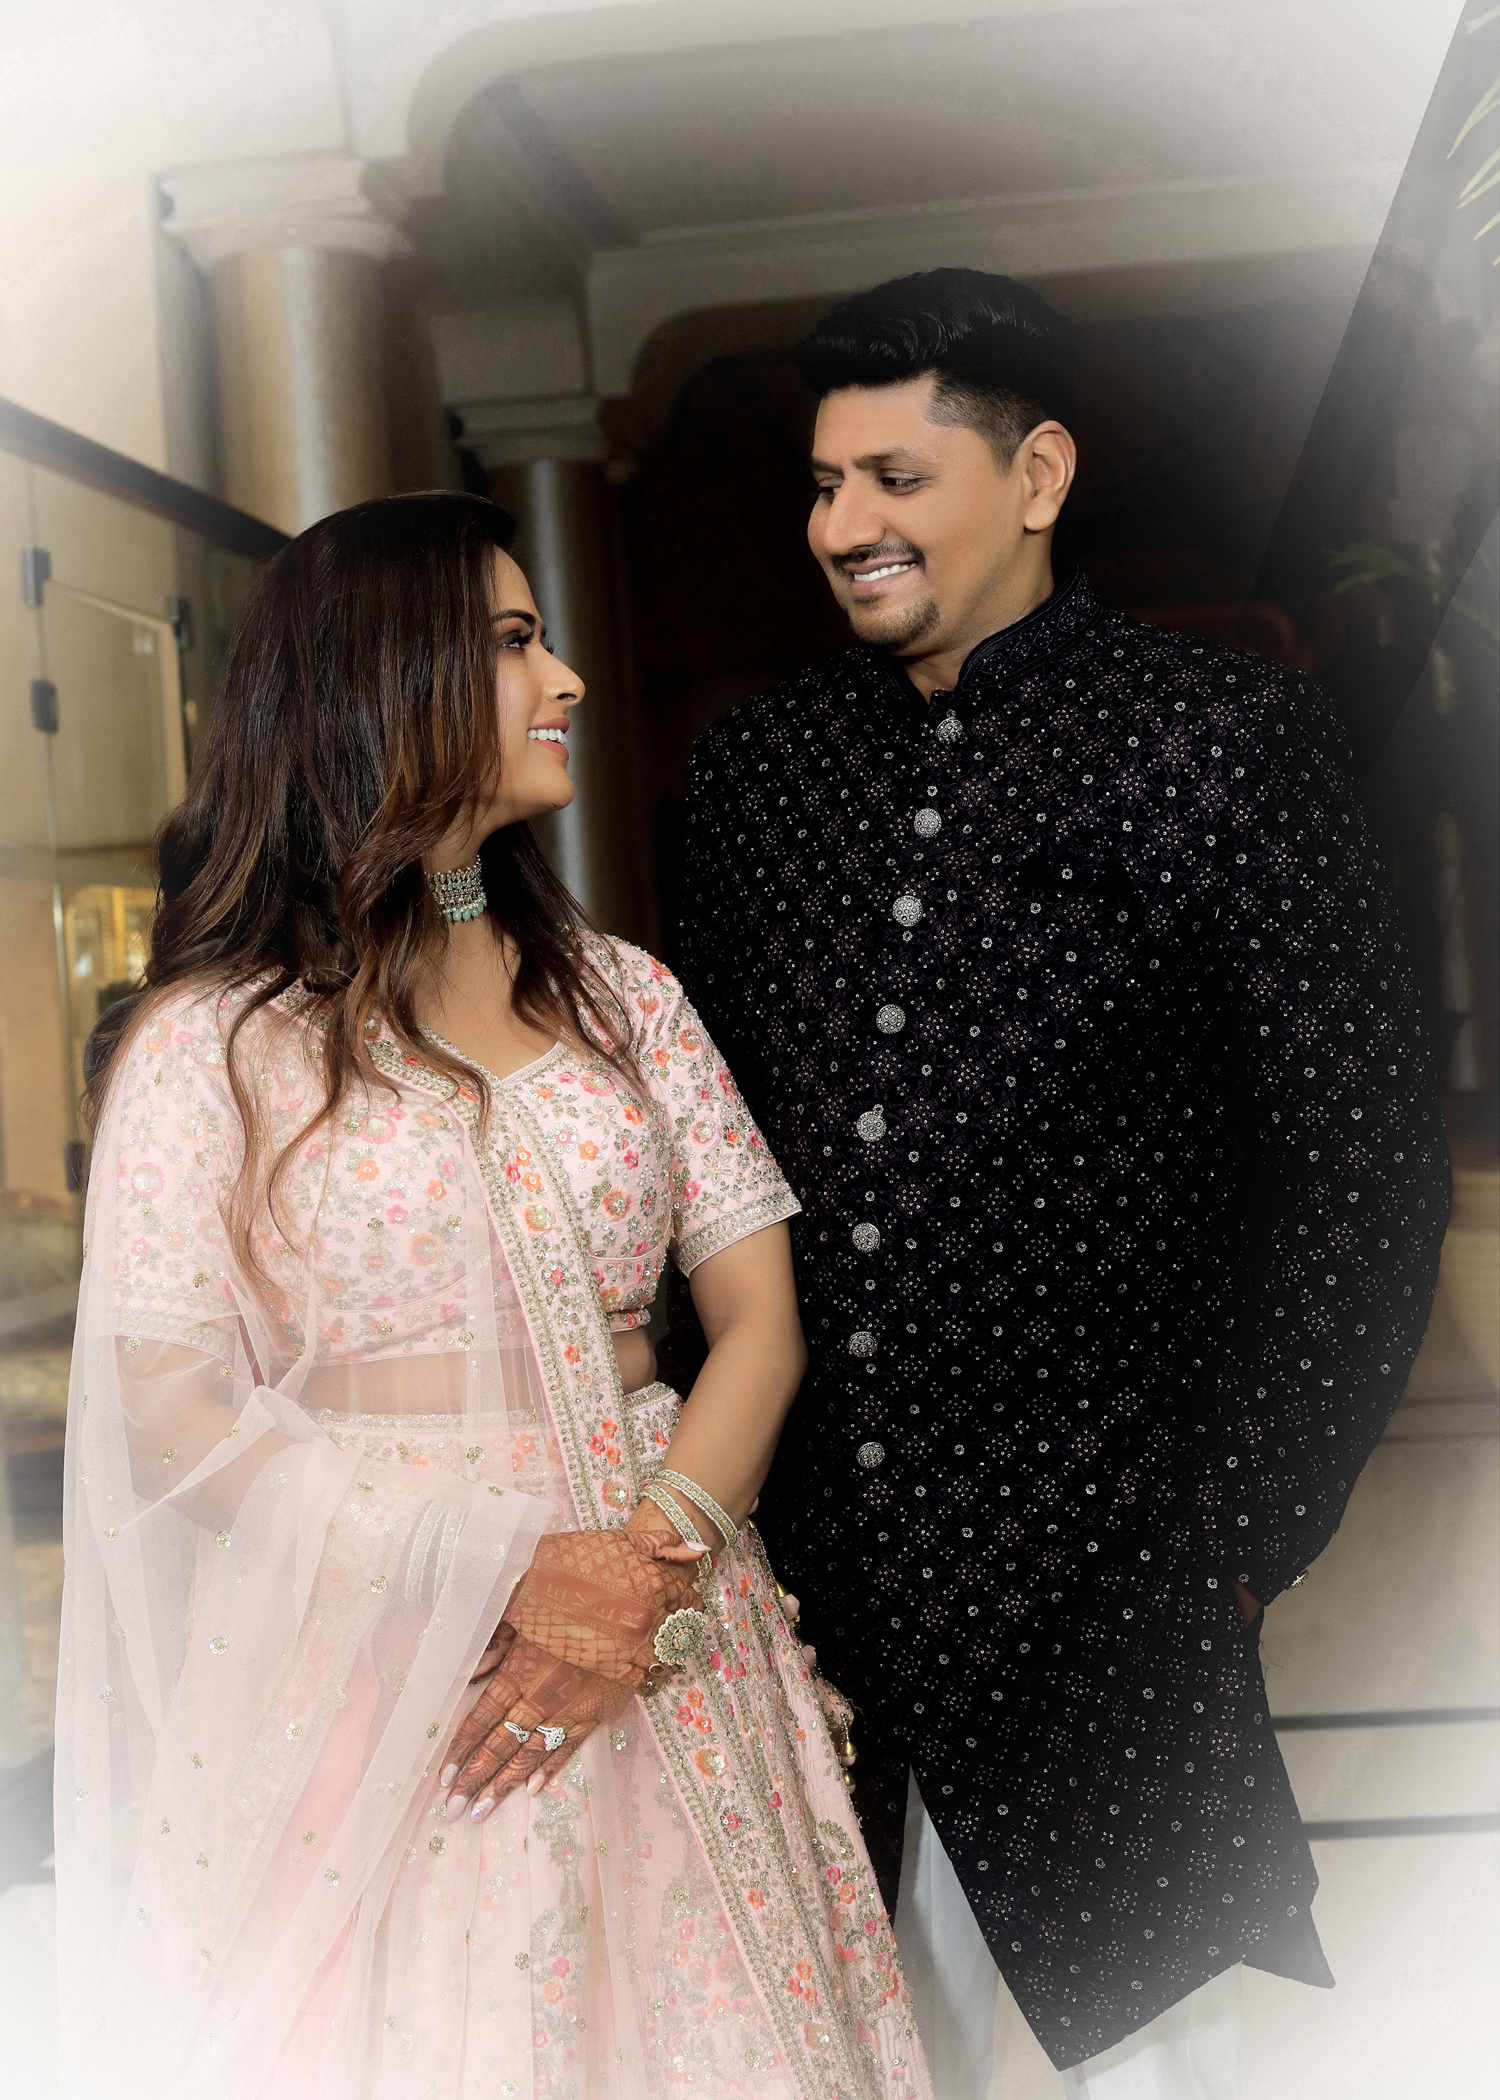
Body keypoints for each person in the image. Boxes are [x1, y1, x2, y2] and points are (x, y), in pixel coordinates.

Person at [674, 269, 1452, 2098]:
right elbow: (696, 1179)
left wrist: (1244, 1534)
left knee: (1149, 2053)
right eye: (822, 485)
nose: (843, 526)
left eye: (895, 477)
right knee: (841, 2041)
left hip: (1111, 1586)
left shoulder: (1222, 743)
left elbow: (1360, 1175)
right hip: (812, 1598)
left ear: (1037, 475)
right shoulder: (755, 781)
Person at [54, 492, 934, 2100]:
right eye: (518, 641)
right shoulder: (217, 1043)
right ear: (384, 679)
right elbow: (165, 1403)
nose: (567, 678)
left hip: (673, 1611)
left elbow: (760, 1321)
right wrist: (499, 1571)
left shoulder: (621, 997)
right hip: (393, 1653)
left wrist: (640, 1577)